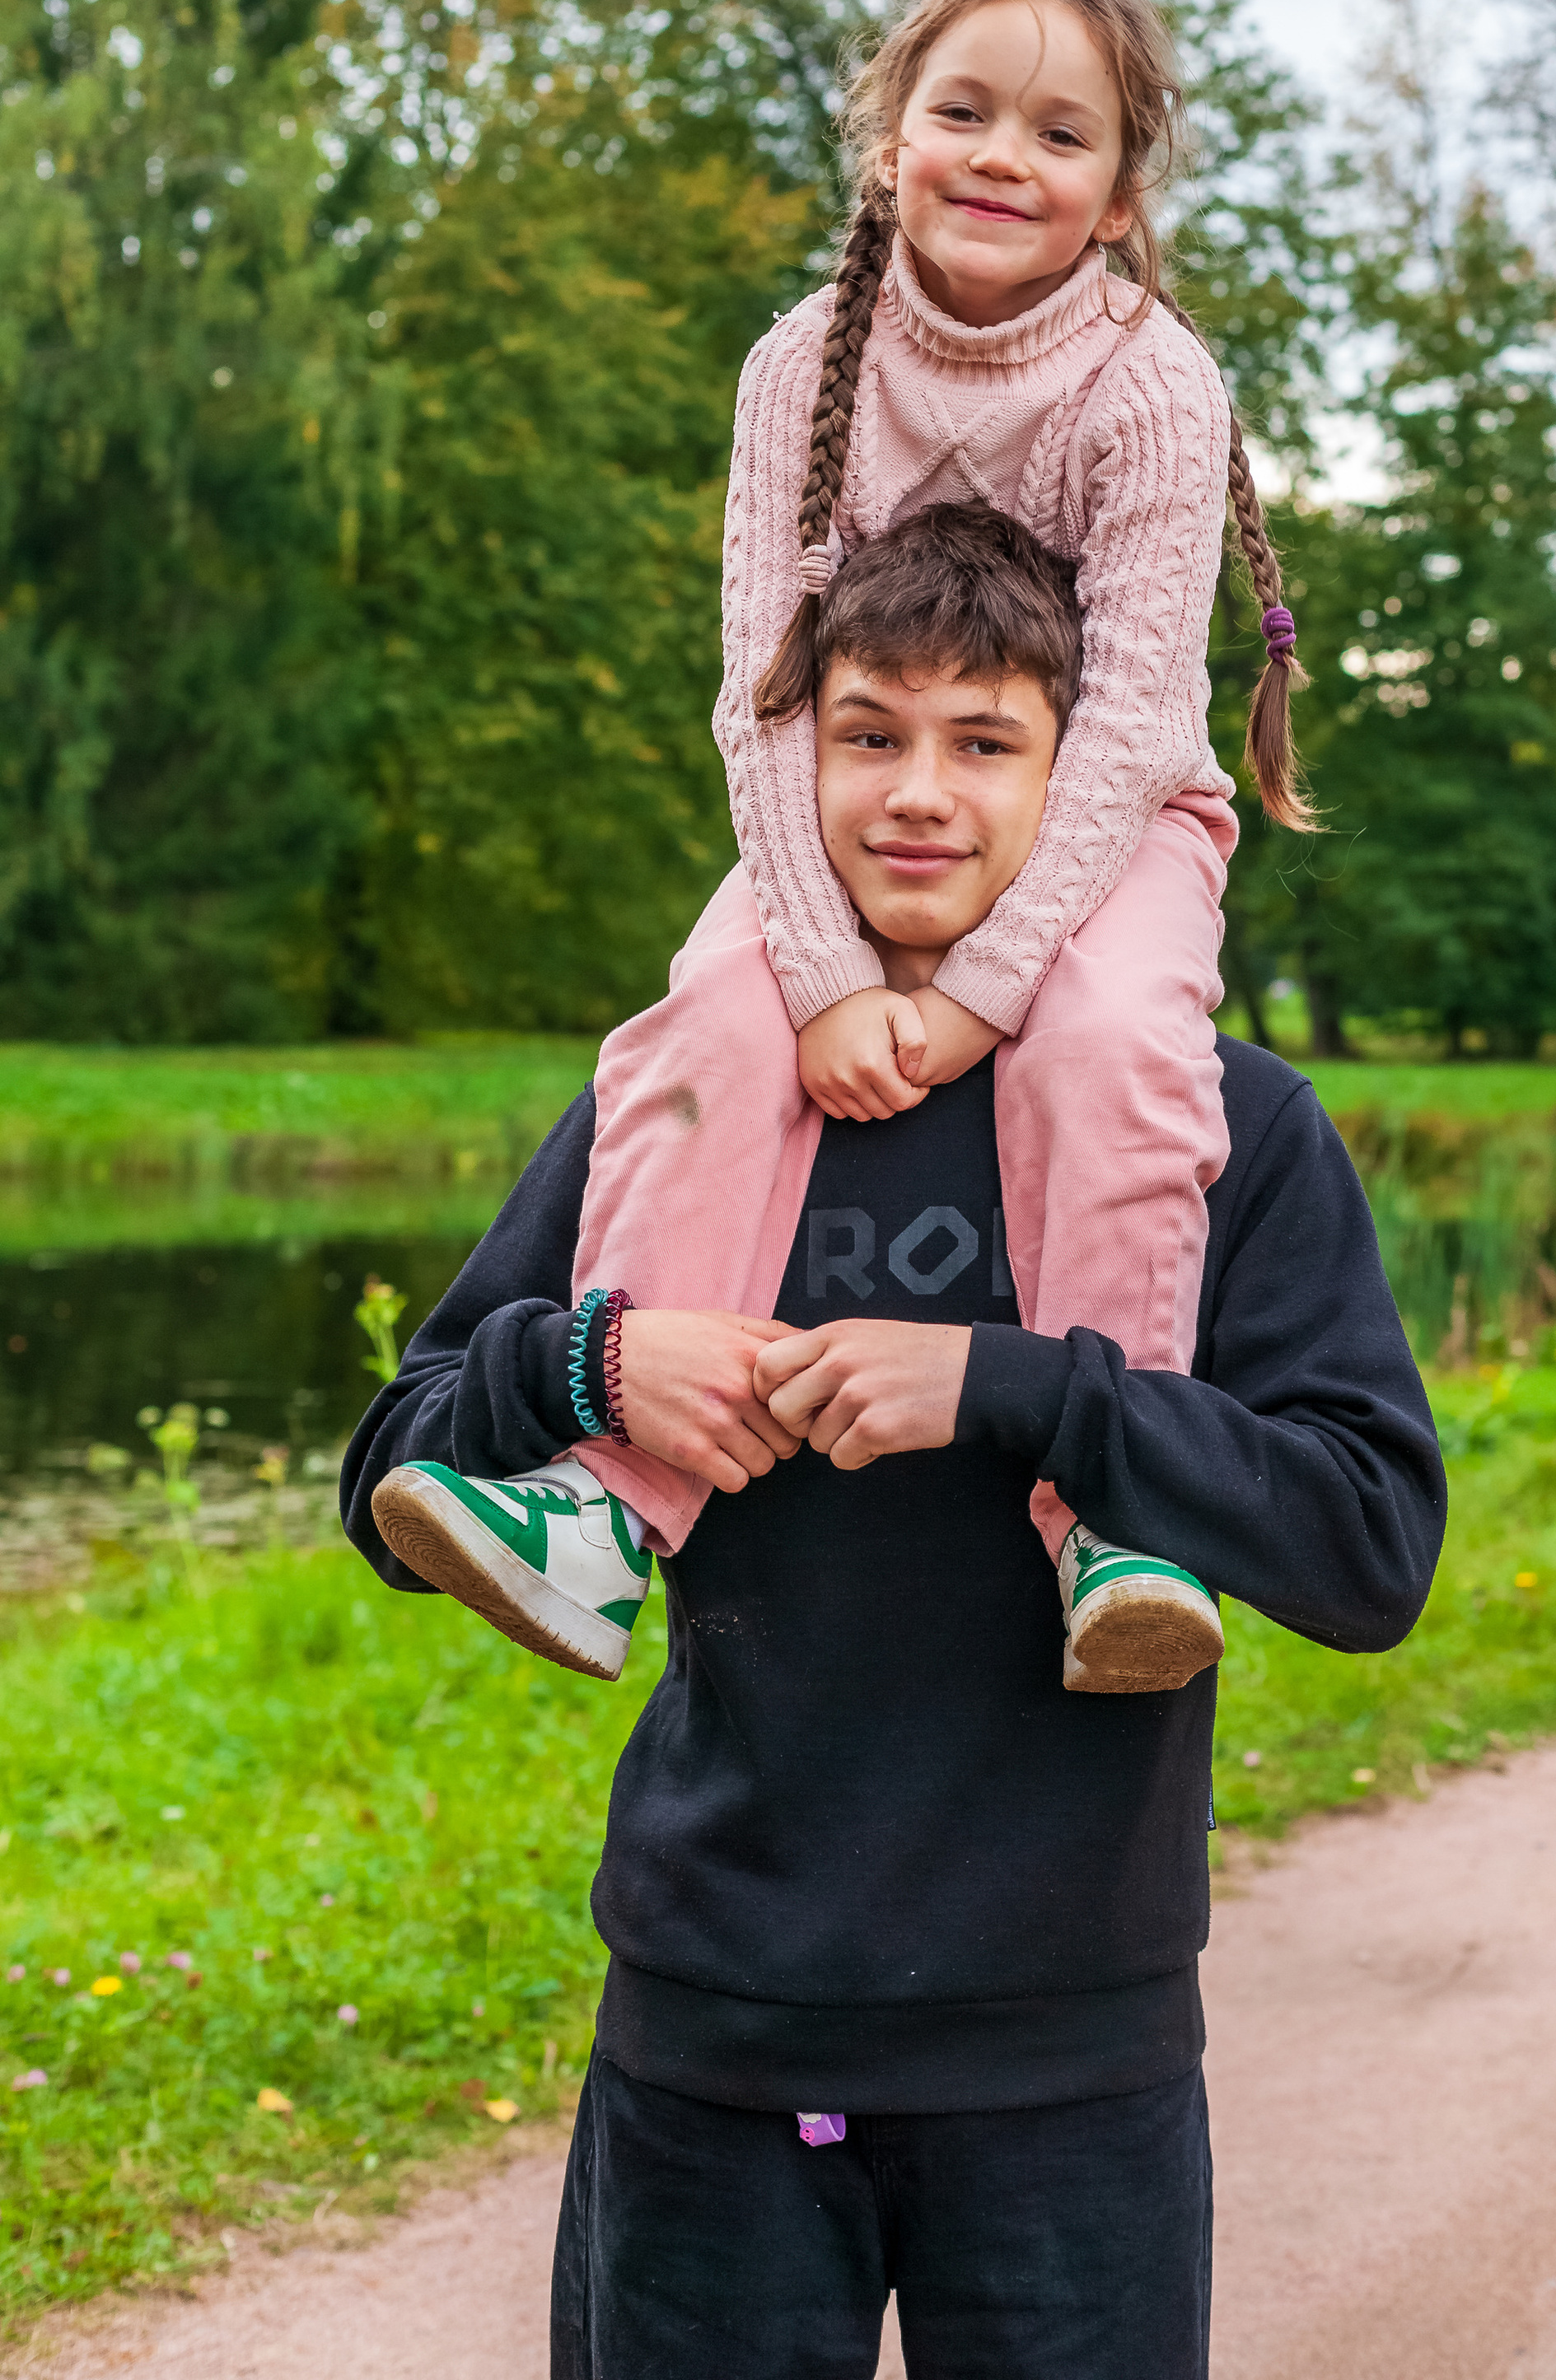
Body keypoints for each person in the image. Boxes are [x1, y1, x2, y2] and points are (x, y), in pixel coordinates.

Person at [342, 506, 1446, 2380]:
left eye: (984, 741)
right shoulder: (687, 1094)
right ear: (799, 760)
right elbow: (391, 1472)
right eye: (868, 734)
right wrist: (595, 1364)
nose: (916, 796)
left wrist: (1013, 1390)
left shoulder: (1211, 1123)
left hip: (1063, 2067)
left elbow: (1366, 1544)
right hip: (709, 2041)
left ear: (1073, 779)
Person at [369, 0, 1318, 1697]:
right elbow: (769, 696)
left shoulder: (1151, 385)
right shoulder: (798, 364)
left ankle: (1115, 1511)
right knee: (707, 1020)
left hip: (1112, 816)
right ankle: (603, 1502)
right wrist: (816, 982)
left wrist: (971, 998)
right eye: (959, 110)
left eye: (1059, 130)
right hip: (839, 811)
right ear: (885, 141)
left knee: (1106, 1039)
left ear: (1119, 195)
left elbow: (1112, 734)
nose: (1001, 154)